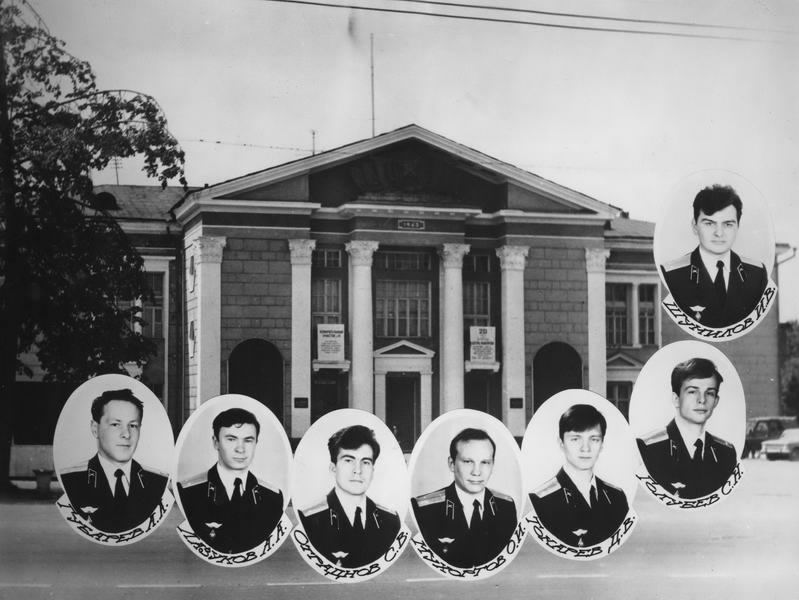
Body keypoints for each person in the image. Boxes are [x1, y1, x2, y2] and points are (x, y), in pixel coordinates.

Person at [60, 389, 168, 533]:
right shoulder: (71, 480)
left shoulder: (157, 482)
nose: (126, 434)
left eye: (133, 425)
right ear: (95, 428)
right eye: (115, 424)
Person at [177, 407, 284, 553]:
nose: (240, 449)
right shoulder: (189, 492)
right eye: (231, 439)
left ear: (256, 444)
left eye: (248, 440)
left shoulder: (272, 497)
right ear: (216, 442)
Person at [660, 184, 768, 328]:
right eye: (709, 223)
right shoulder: (672, 275)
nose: (719, 233)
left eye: (728, 224)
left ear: (738, 226)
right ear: (694, 226)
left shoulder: (756, 274)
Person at [411, 428, 517, 568]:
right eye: (467, 461)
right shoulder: (425, 510)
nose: (476, 472)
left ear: (493, 465)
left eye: (485, 462)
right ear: (452, 464)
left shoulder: (506, 506)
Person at [298, 425, 401, 567]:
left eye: (366, 462)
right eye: (348, 460)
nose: (357, 470)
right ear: (333, 468)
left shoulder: (390, 520)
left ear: (372, 470)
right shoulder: (310, 520)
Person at [529, 404, 628, 548]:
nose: (585, 448)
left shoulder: (616, 496)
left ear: (602, 444)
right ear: (561, 443)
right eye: (575, 439)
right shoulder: (541, 500)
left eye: (594, 439)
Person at [637, 358, 738, 499]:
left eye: (709, 393)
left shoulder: (726, 452)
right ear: (676, 399)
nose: (702, 400)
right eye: (692, 392)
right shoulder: (649, 448)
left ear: (716, 401)